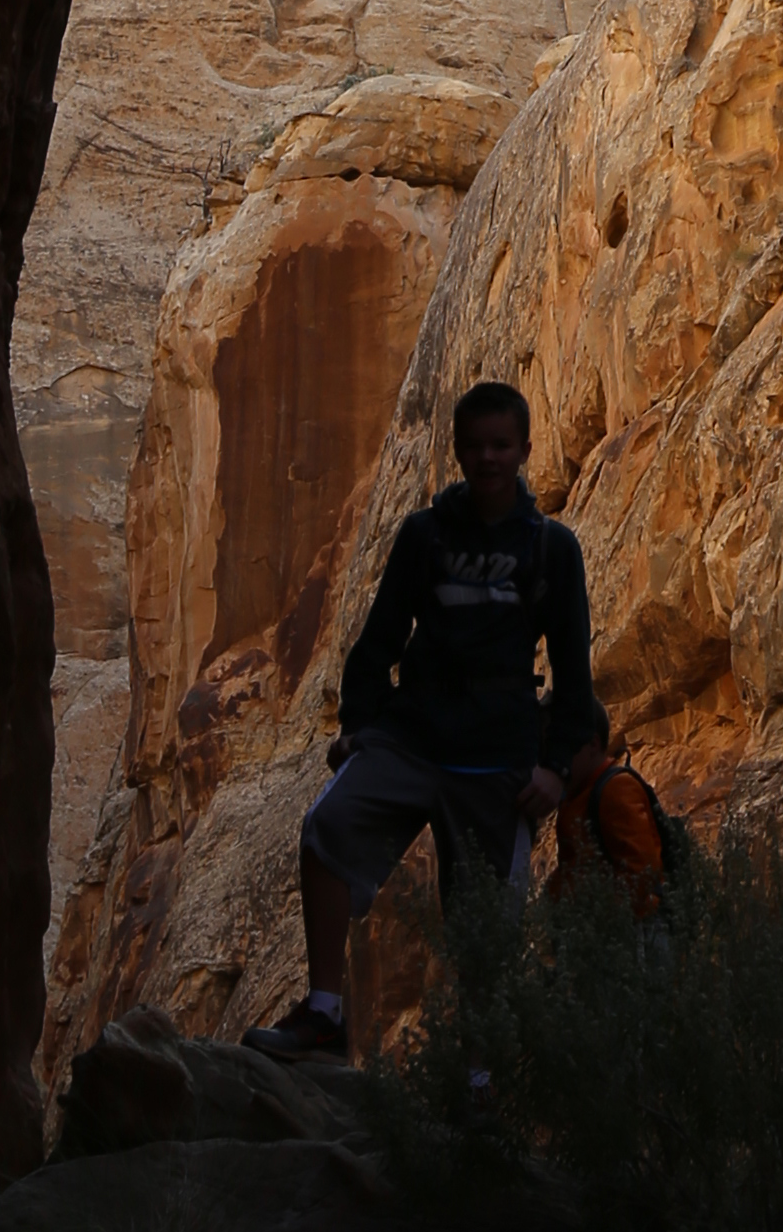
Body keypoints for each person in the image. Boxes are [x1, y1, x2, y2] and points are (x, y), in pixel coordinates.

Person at [246, 382, 602, 1064]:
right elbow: (378, 639)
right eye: (475, 446)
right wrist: (360, 726)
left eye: (502, 445)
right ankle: (323, 1013)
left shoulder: (554, 549)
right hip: (413, 739)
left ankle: (479, 1082)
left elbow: (573, 670)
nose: (488, 458)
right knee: (327, 831)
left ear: (525, 449)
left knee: (487, 933)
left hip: (497, 761)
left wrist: (556, 768)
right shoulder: (425, 535)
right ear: (458, 450)